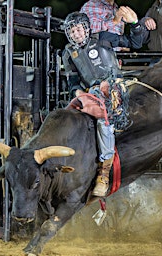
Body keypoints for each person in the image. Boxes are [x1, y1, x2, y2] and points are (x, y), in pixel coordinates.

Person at [62, 12, 129, 197]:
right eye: (72, 31)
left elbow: (132, 41)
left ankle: (104, 171)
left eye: (78, 29)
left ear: (86, 28)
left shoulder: (103, 38)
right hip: (91, 92)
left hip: (115, 86)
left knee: (103, 119)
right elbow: (73, 83)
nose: (76, 33)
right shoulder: (68, 53)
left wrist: (137, 24)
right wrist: (79, 94)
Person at [80, 0, 148, 51]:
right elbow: (86, 31)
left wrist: (135, 23)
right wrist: (114, 21)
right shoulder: (91, 5)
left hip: (115, 61)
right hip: (95, 59)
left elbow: (135, 44)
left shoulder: (116, 9)